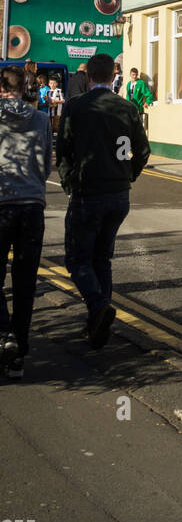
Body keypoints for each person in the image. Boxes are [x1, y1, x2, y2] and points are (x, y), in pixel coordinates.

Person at [55, 53, 149, 349]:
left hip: (89, 192)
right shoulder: (128, 108)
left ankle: (98, 306)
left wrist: (70, 182)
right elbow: (143, 150)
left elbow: (64, 150)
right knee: (102, 259)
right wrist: (128, 176)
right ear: (112, 76)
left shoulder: (76, 107)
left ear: (90, 76)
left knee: (77, 258)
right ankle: (98, 326)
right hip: (119, 194)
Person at [0, 65, 52, 379]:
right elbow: (46, 165)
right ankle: (18, 353)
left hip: (2, 204)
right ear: (24, 90)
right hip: (32, 207)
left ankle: (4, 334)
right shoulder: (42, 119)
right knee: (24, 282)